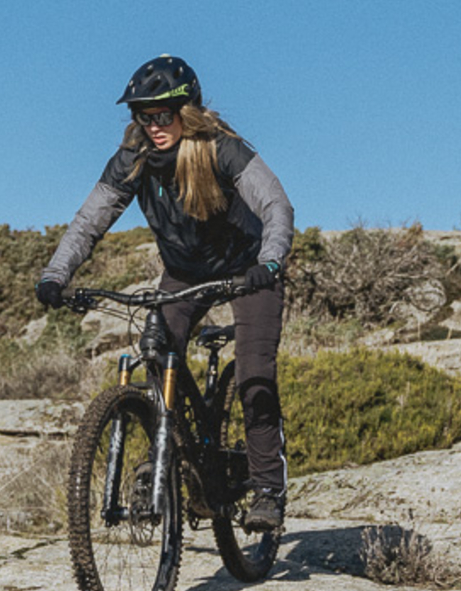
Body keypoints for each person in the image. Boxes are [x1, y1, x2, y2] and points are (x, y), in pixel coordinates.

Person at [34, 55, 295, 532]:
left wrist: (270, 261)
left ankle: (267, 489)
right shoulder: (133, 159)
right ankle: (169, 457)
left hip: (248, 268)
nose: (153, 126)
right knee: (156, 352)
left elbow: (276, 203)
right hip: (184, 273)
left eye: (163, 115)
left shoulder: (221, 148)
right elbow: (89, 220)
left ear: (187, 111)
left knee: (255, 377)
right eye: (143, 116)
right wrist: (56, 275)